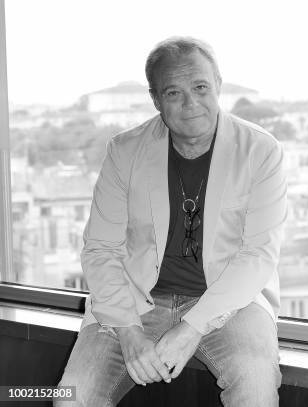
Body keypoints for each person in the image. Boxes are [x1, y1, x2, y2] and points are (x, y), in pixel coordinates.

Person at [55, 36, 287, 407]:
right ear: (155, 99)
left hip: (230, 303)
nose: (191, 103)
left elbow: (258, 255)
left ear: (218, 85)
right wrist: (129, 332)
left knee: (256, 387)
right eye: (174, 93)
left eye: (200, 87)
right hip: (135, 301)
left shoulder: (260, 150)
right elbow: (101, 249)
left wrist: (192, 328)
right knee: (73, 398)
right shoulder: (125, 151)